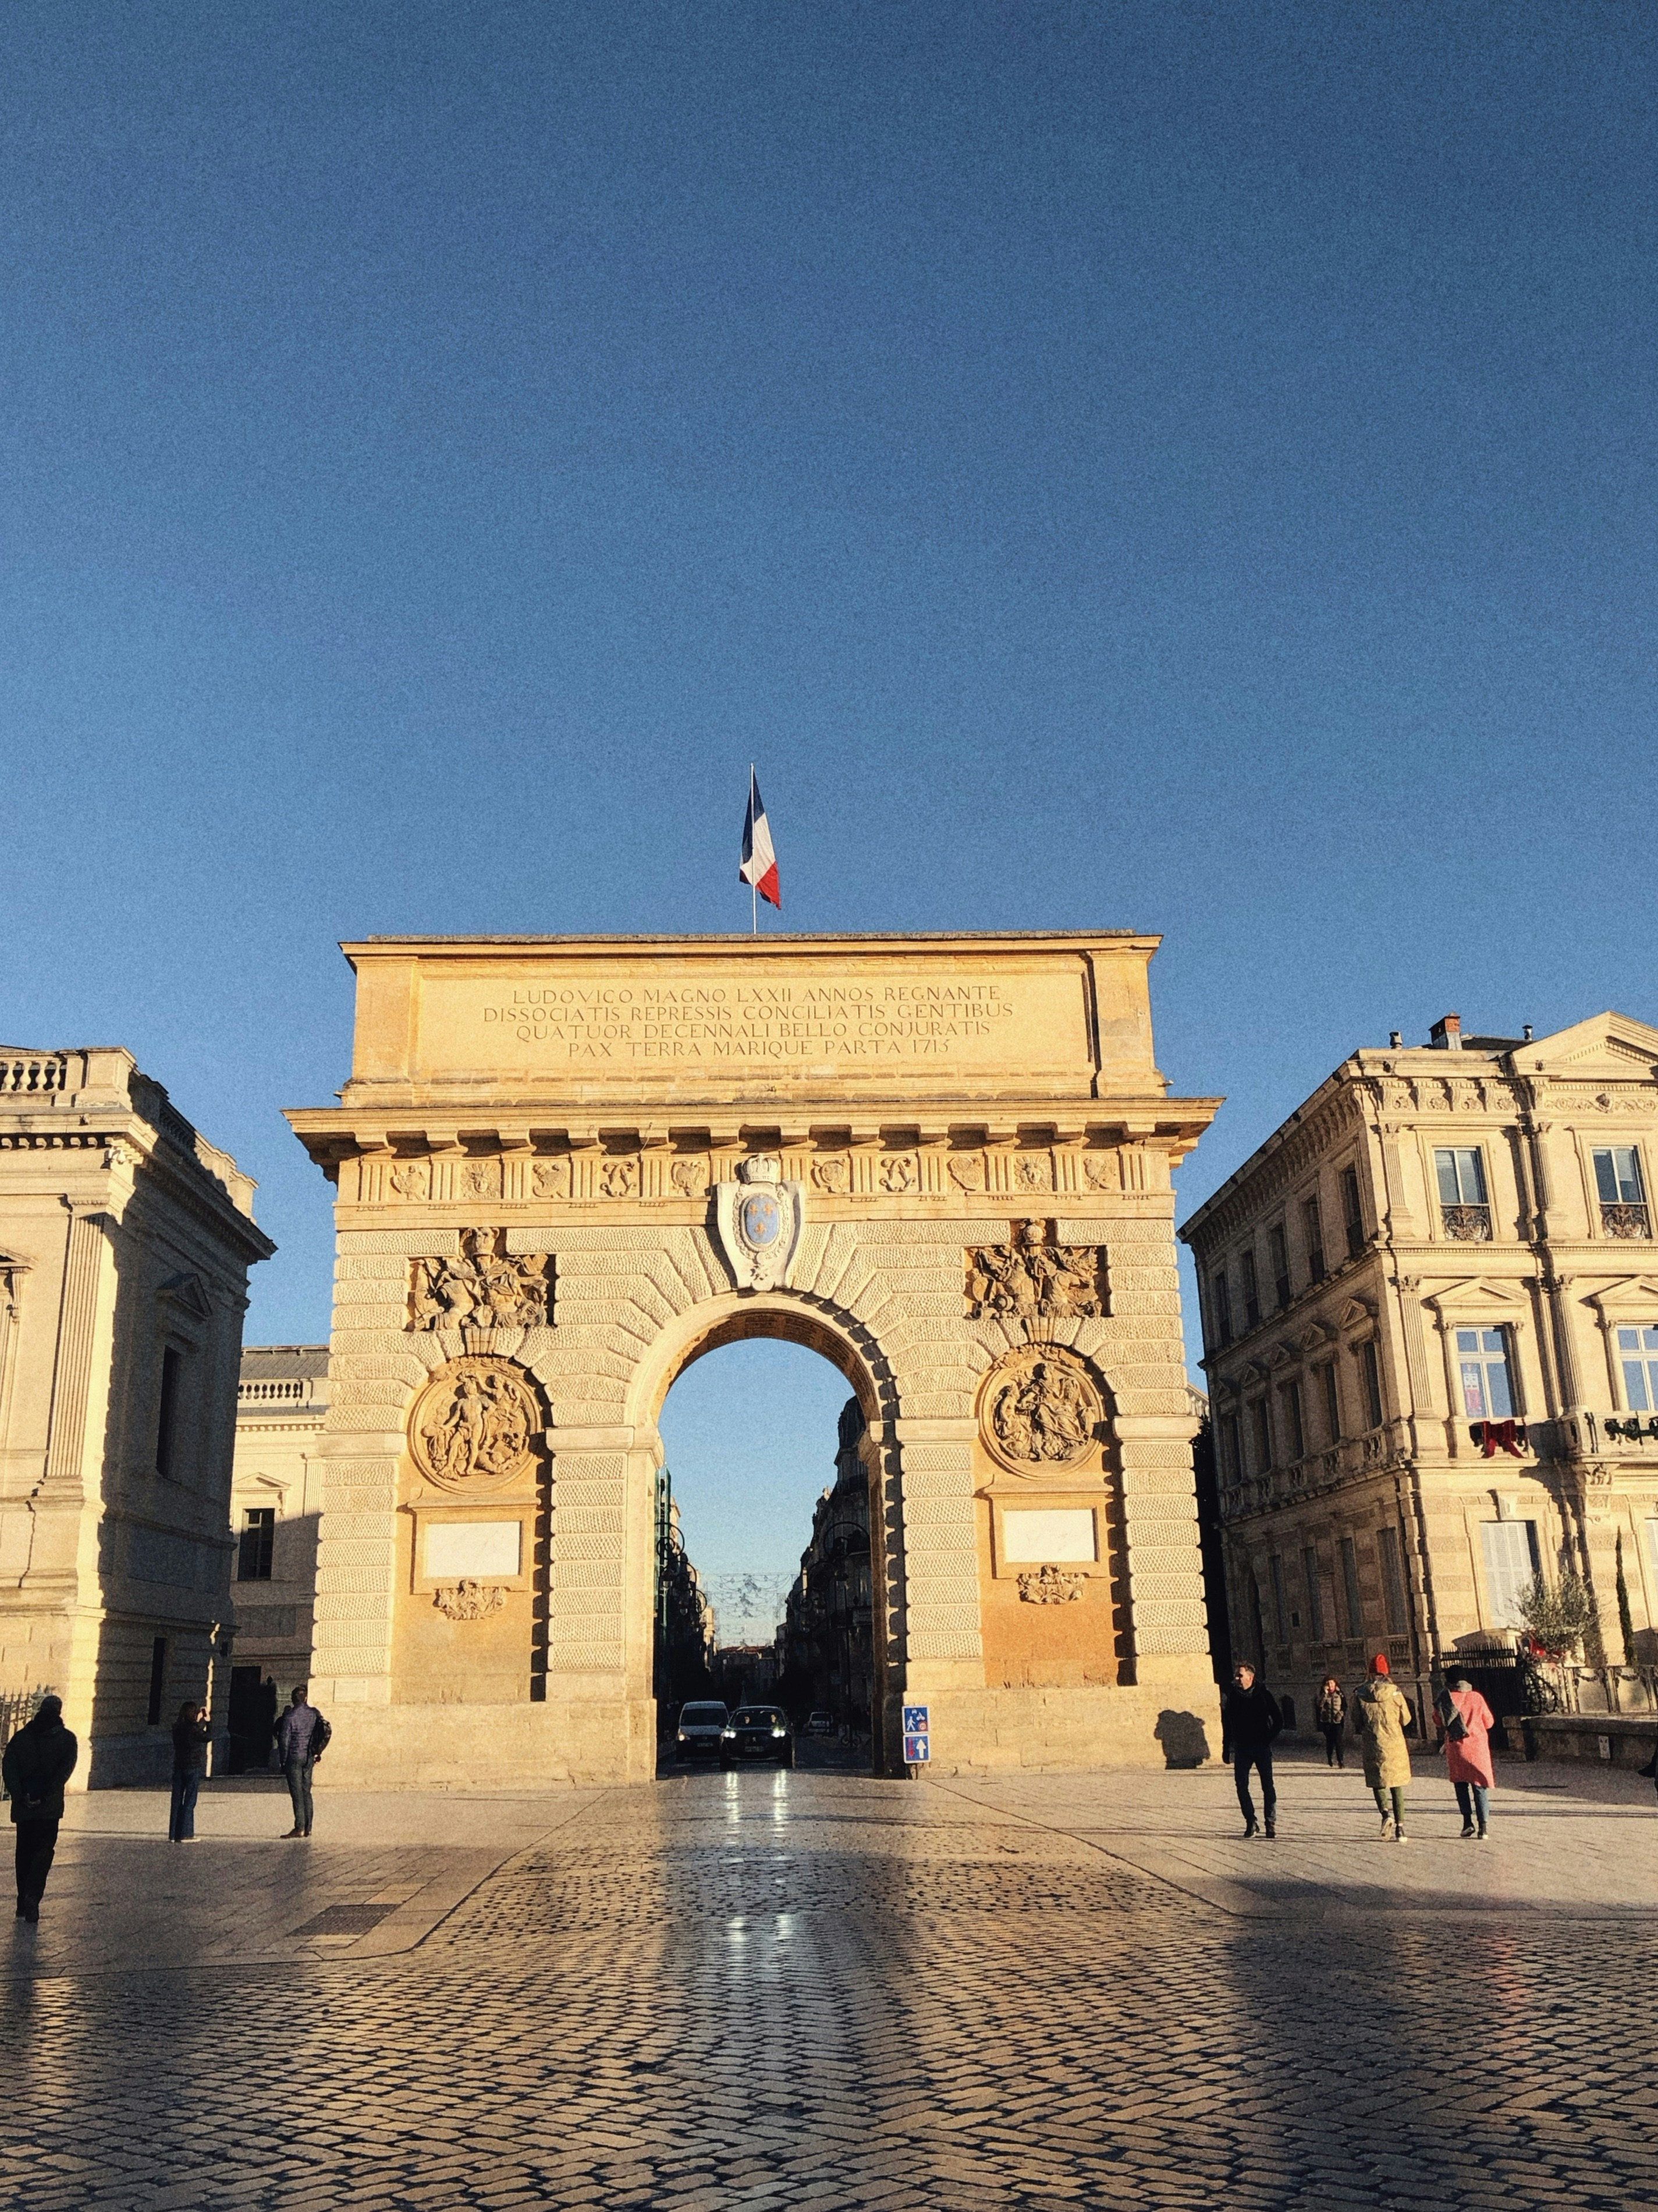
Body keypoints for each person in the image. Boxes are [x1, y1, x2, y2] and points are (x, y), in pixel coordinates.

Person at [3, 1695, 79, 1923]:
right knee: (43, 1852)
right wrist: (45, 1796)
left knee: (24, 1853)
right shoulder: (67, 1740)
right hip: (49, 1809)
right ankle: (33, 1896)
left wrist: (20, 1796)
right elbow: (64, 1773)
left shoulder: (21, 1738)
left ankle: (22, 1900)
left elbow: (9, 1768)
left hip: (24, 1809)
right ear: (59, 1711)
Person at [1354, 1654, 1414, 1843]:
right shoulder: (1395, 1692)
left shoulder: (1360, 1693)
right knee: (1397, 1785)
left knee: (1378, 1782)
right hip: (1395, 1744)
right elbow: (1406, 1718)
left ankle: (1385, 1814)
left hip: (1373, 1743)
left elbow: (1356, 1720)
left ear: (1370, 1672)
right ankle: (1401, 1829)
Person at [1219, 1662, 1283, 1839]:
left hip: (1261, 1747)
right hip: (1242, 1748)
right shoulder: (1233, 1697)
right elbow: (1228, 1724)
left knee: (1267, 1786)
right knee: (1241, 1785)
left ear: (1250, 1677)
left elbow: (1278, 1720)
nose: (1237, 1679)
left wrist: (1267, 1739)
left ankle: (1270, 1822)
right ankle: (1251, 1821)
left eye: (1240, 1675)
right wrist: (1226, 1747)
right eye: (1236, 1676)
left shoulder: (1263, 1695)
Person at [1440, 1672, 1497, 1839]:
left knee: (1461, 1785)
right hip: (1478, 1748)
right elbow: (1489, 1722)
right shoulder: (1477, 1697)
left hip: (1456, 1746)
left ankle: (1467, 1823)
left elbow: (1438, 1720)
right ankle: (1483, 1828)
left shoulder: (1446, 1698)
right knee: (1480, 1786)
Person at [275, 1685, 330, 1839]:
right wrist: (318, 1752)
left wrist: (283, 1761)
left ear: (293, 1700)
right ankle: (308, 1827)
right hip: (309, 1756)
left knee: (297, 1793)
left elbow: (284, 1741)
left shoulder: (290, 1717)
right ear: (305, 1698)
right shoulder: (314, 1713)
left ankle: (299, 1827)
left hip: (294, 1757)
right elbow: (322, 1732)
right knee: (307, 1791)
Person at [169, 1700, 212, 1842]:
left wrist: (198, 1722)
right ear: (193, 1714)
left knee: (176, 1800)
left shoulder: (176, 1727)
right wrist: (208, 1722)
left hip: (178, 1766)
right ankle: (186, 1833)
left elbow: (191, 1731)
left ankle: (174, 1834)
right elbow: (208, 1737)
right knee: (189, 1800)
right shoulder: (193, 1729)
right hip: (192, 1767)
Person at [1315, 1676, 1347, 1768]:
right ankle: (1330, 1758)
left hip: (1338, 1721)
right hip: (1327, 1722)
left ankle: (1341, 1761)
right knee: (1330, 1741)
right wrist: (1325, 1694)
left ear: (1335, 1684)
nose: (1330, 1685)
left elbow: (1345, 1706)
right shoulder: (1323, 1694)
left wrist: (1341, 1714)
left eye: (1332, 1683)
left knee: (1338, 1741)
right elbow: (1319, 1705)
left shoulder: (1340, 1693)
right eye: (1328, 1684)